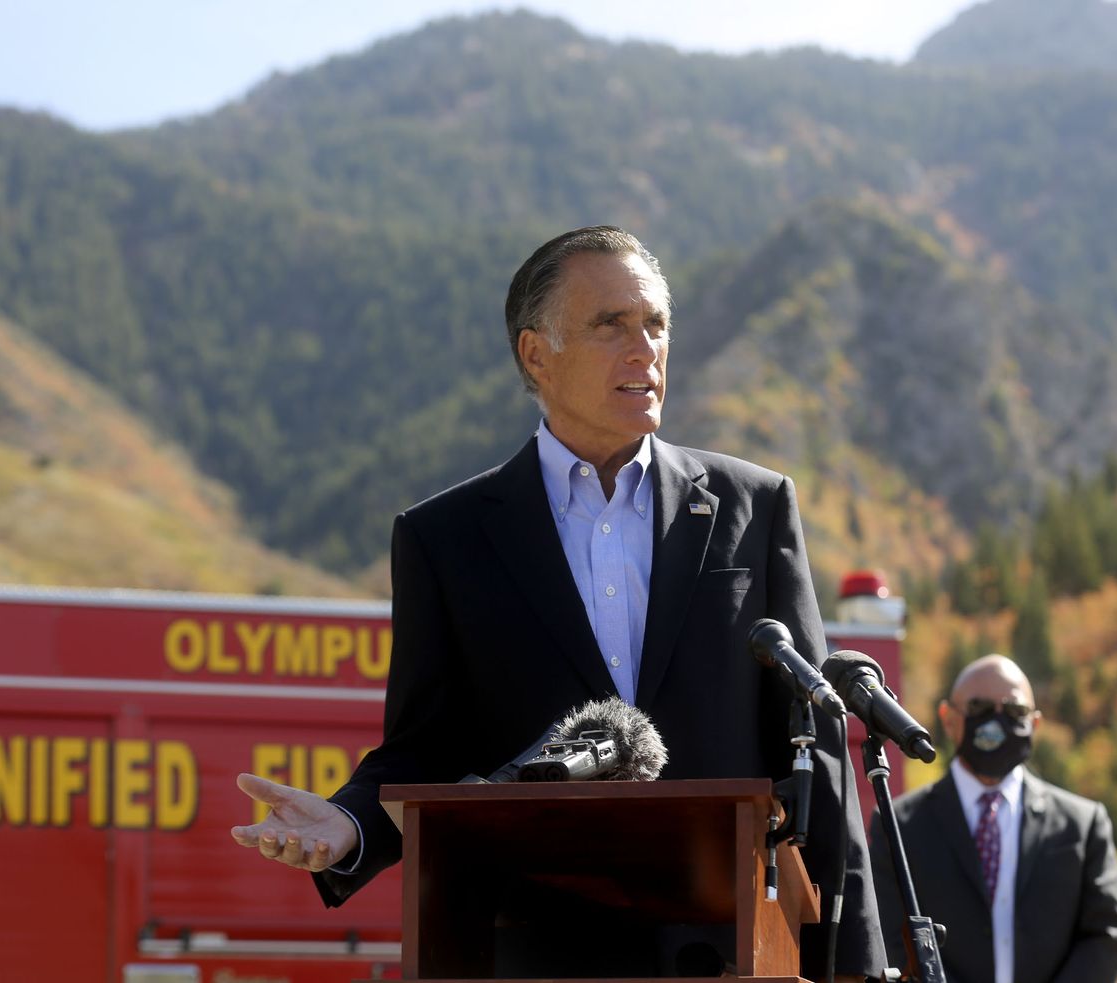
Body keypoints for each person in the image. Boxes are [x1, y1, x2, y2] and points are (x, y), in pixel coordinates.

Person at [230, 226, 886, 980]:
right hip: (540, 951)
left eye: (656, 325)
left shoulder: (755, 505)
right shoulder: (444, 538)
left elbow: (816, 747)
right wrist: (349, 824)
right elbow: (427, 748)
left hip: (730, 948)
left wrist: (855, 961)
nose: (645, 348)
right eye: (611, 325)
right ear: (535, 353)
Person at [868, 654, 1117, 983]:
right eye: (980, 709)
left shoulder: (1083, 825)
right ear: (948, 719)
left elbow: (1105, 935)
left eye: (1015, 711)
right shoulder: (899, 825)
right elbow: (888, 935)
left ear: (1034, 724)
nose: (997, 722)